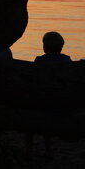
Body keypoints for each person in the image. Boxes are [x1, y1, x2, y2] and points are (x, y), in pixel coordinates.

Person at [26, 31, 72, 159]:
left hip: (42, 100)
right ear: (61, 46)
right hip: (60, 100)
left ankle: (29, 149)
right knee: (46, 118)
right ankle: (48, 150)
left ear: (44, 46)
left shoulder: (39, 60)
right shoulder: (66, 60)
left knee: (30, 118)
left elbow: (33, 80)